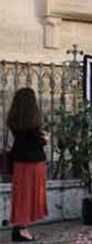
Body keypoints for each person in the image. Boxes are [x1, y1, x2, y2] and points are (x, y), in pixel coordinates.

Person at [7, 88, 49, 242]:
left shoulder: (15, 120)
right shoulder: (33, 122)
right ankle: (22, 229)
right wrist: (45, 139)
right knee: (30, 197)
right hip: (33, 163)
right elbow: (36, 143)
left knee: (21, 197)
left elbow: (22, 140)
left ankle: (19, 228)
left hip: (18, 162)